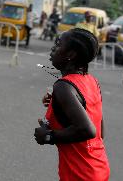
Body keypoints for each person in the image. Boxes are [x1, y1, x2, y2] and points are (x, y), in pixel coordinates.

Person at [34, 28, 110, 181]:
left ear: (71, 54)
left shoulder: (63, 86)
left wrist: (48, 136)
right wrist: (58, 106)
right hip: (98, 167)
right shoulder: (91, 81)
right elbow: (100, 130)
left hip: (80, 173)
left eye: (58, 44)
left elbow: (88, 130)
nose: (53, 48)